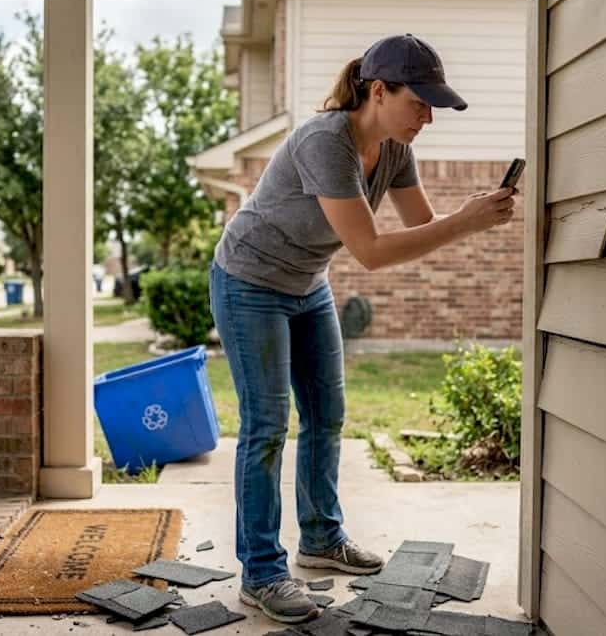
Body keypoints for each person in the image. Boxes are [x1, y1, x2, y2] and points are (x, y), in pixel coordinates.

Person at [208, 33, 518, 624]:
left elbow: (423, 224)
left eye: (433, 106)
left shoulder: (396, 149)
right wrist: (463, 222)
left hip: (306, 283)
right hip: (249, 283)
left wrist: (474, 215)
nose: (428, 116)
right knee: (268, 425)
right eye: (419, 102)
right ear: (378, 91)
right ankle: (263, 572)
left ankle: (321, 538)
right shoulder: (326, 141)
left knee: (327, 415)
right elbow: (372, 251)